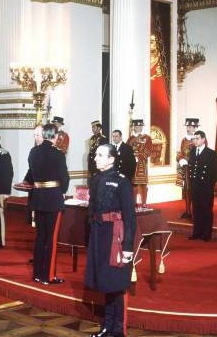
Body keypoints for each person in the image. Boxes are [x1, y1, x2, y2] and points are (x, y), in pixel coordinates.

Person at [85, 144, 136, 337]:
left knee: (116, 281)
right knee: (105, 281)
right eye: (96, 154)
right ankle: (107, 326)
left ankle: (117, 329)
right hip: (99, 235)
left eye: (100, 155)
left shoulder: (121, 181)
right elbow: (92, 211)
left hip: (116, 235)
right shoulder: (95, 179)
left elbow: (130, 217)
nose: (95, 158)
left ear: (111, 159)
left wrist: (128, 246)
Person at [26, 123, 69, 284]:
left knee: (40, 238)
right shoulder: (57, 154)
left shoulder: (33, 152)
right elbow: (64, 179)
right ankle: (48, 276)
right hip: (53, 199)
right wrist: (62, 190)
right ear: (55, 136)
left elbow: (31, 175)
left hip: (38, 198)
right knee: (51, 239)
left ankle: (37, 274)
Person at [188, 130, 217, 242]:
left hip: (206, 187)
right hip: (195, 186)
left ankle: (206, 234)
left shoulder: (211, 153)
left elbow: (216, 172)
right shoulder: (192, 152)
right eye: (194, 138)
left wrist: (210, 185)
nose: (194, 141)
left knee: (206, 210)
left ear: (203, 139)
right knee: (196, 210)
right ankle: (197, 232)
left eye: (197, 138)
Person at [176, 118, 204, 219]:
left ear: (195, 127)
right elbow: (181, 153)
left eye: (190, 127)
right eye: (187, 126)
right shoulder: (184, 140)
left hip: (197, 168)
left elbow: (203, 154)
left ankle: (197, 211)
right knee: (187, 189)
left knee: (196, 190)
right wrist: (180, 159)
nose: (188, 129)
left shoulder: (200, 138)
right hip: (186, 168)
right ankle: (188, 211)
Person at [127, 119, 152, 205]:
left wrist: (138, 156)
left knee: (143, 184)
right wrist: (131, 156)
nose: (136, 128)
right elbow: (127, 149)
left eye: (138, 127)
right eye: (135, 127)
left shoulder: (147, 138)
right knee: (133, 184)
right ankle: (134, 204)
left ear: (141, 127)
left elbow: (148, 151)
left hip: (141, 164)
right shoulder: (130, 138)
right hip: (132, 164)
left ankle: (144, 203)